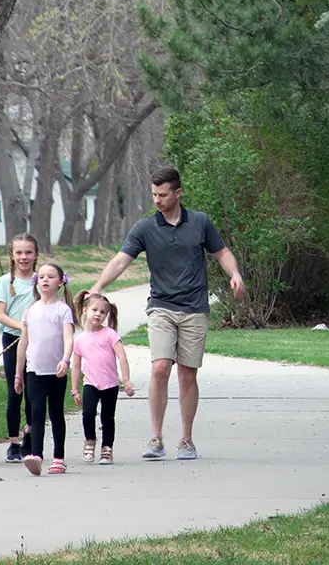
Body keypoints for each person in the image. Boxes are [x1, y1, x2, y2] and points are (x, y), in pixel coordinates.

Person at [89, 166, 244, 462]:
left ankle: (186, 439)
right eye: (153, 195)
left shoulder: (200, 222)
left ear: (178, 193)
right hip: (160, 306)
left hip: (194, 308)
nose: (157, 200)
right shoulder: (145, 227)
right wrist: (98, 286)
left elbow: (221, 252)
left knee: (187, 373)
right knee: (160, 368)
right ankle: (156, 437)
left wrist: (234, 274)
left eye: (162, 195)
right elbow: (122, 260)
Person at [15, 261, 78, 476]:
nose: (45, 280)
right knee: (37, 413)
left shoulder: (63, 310)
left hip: (57, 371)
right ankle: (37, 455)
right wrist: (18, 373)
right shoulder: (30, 310)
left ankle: (59, 457)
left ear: (60, 282)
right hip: (34, 371)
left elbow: (69, 337)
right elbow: (23, 343)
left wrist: (66, 359)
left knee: (56, 412)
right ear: (36, 281)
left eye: (51, 276)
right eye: (41, 276)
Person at [70, 291, 135, 465]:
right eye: (95, 310)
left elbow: (122, 356)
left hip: (110, 384)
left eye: (103, 312)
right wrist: (74, 389)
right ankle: (89, 441)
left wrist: (126, 380)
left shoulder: (110, 335)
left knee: (107, 417)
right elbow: (76, 366)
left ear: (107, 315)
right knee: (88, 413)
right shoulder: (80, 340)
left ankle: (107, 448)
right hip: (91, 383)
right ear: (85, 311)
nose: (98, 314)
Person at [0, 233, 38, 463]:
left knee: (33, 392)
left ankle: (29, 437)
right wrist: (22, 326)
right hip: (13, 340)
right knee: (15, 391)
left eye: (28, 252)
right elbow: (0, 315)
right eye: (19, 252)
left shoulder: (41, 280)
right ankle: (12, 443)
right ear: (12, 255)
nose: (24, 257)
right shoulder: (5, 282)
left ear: (36, 254)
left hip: (37, 343)